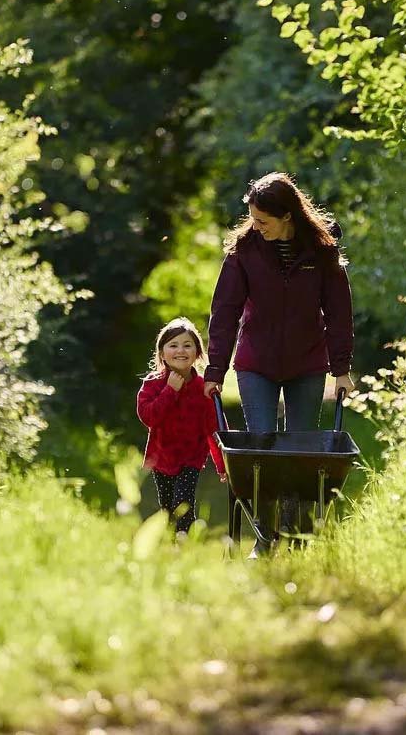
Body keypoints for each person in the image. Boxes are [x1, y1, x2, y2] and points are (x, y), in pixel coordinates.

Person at [202, 172, 355, 555]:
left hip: (308, 363)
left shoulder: (321, 251)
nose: (256, 226)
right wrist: (215, 370)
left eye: (263, 220)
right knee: (262, 452)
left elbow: (339, 314)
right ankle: (266, 538)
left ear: (287, 215)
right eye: (252, 218)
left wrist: (341, 369)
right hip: (256, 363)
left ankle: (294, 532)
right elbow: (224, 312)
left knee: (301, 453)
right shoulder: (244, 251)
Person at [137, 317, 226, 537]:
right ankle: (173, 545)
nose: (180, 351)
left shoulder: (203, 389)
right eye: (173, 345)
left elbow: (214, 431)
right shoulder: (153, 384)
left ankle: (184, 540)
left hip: (190, 459)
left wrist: (223, 464)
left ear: (197, 352)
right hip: (161, 459)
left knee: (183, 504)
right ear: (162, 352)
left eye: (187, 345)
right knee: (168, 509)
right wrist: (170, 391)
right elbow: (149, 417)